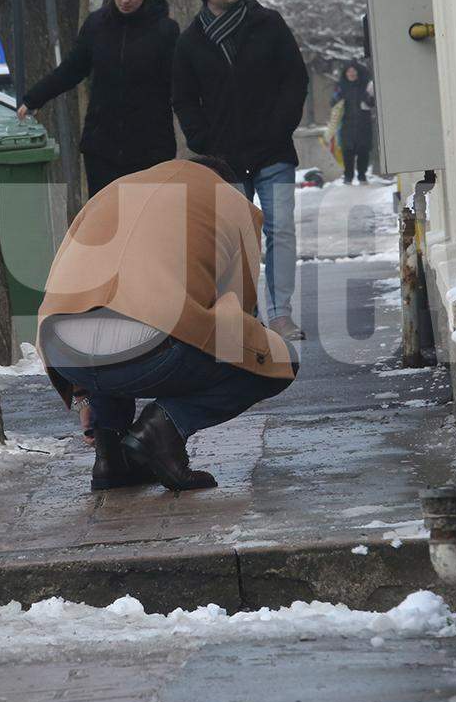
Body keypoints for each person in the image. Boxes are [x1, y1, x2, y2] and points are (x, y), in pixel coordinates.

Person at [38, 157, 298, 492]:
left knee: (111, 308)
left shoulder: (111, 190)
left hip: (62, 354)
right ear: (227, 183)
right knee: (277, 358)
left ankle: (111, 457)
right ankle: (164, 428)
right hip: (146, 353)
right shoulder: (231, 203)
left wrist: (84, 394)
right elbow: (240, 317)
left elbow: (71, 295)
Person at [171, 0, 310, 341]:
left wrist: (280, 126)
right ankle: (246, 316)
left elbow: (294, 78)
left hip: (273, 151)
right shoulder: (191, 43)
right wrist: (204, 142)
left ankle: (281, 314)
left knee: (280, 229)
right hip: (225, 160)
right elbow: (183, 99)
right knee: (235, 239)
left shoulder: (268, 24)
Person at [18, 0, 179, 195]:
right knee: (107, 224)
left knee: (144, 225)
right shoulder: (97, 25)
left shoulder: (165, 31)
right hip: (102, 147)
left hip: (150, 148)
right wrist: (34, 98)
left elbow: (179, 86)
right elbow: (72, 69)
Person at [332, 62, 376, 184]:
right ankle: (348, 176)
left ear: (357, 72)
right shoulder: (341, 86)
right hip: (346, 124)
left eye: (353, 71)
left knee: (363, 150)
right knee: (347, 151)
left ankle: (362, 175)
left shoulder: (365, 85)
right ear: (345, 73)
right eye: (349, 71)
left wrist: (367, 98)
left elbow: (372, 103)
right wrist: (337, 98)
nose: (351, 73)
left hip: (363, 123)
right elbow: (333, 103)